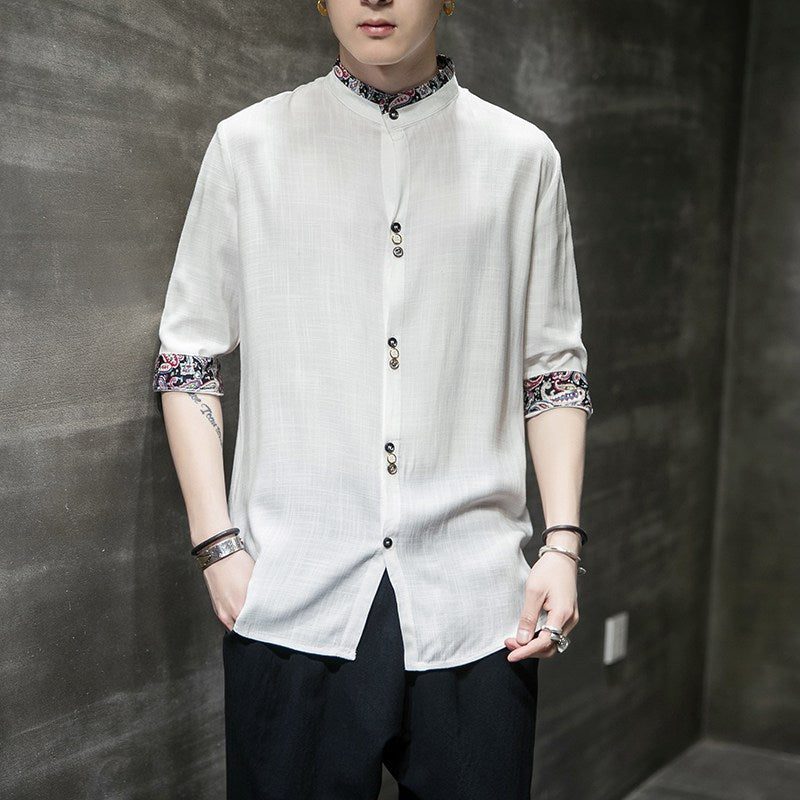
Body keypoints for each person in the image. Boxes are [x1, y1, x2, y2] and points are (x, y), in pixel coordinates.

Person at [152, 1, 593, 798]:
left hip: (476, 606)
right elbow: (187, 356)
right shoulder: (249, 147)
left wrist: (561, 546)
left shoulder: (523, 160)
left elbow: (552, 369)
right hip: (293, 597)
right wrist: (218, 547)